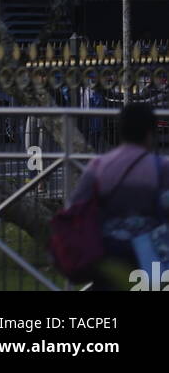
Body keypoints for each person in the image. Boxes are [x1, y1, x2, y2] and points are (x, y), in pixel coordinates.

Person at [64, 105, 169, 290]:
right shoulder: (162, 167)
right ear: (150, 133)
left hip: (109, 258)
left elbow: (76, 209)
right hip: (152, 260)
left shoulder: (99, 166)